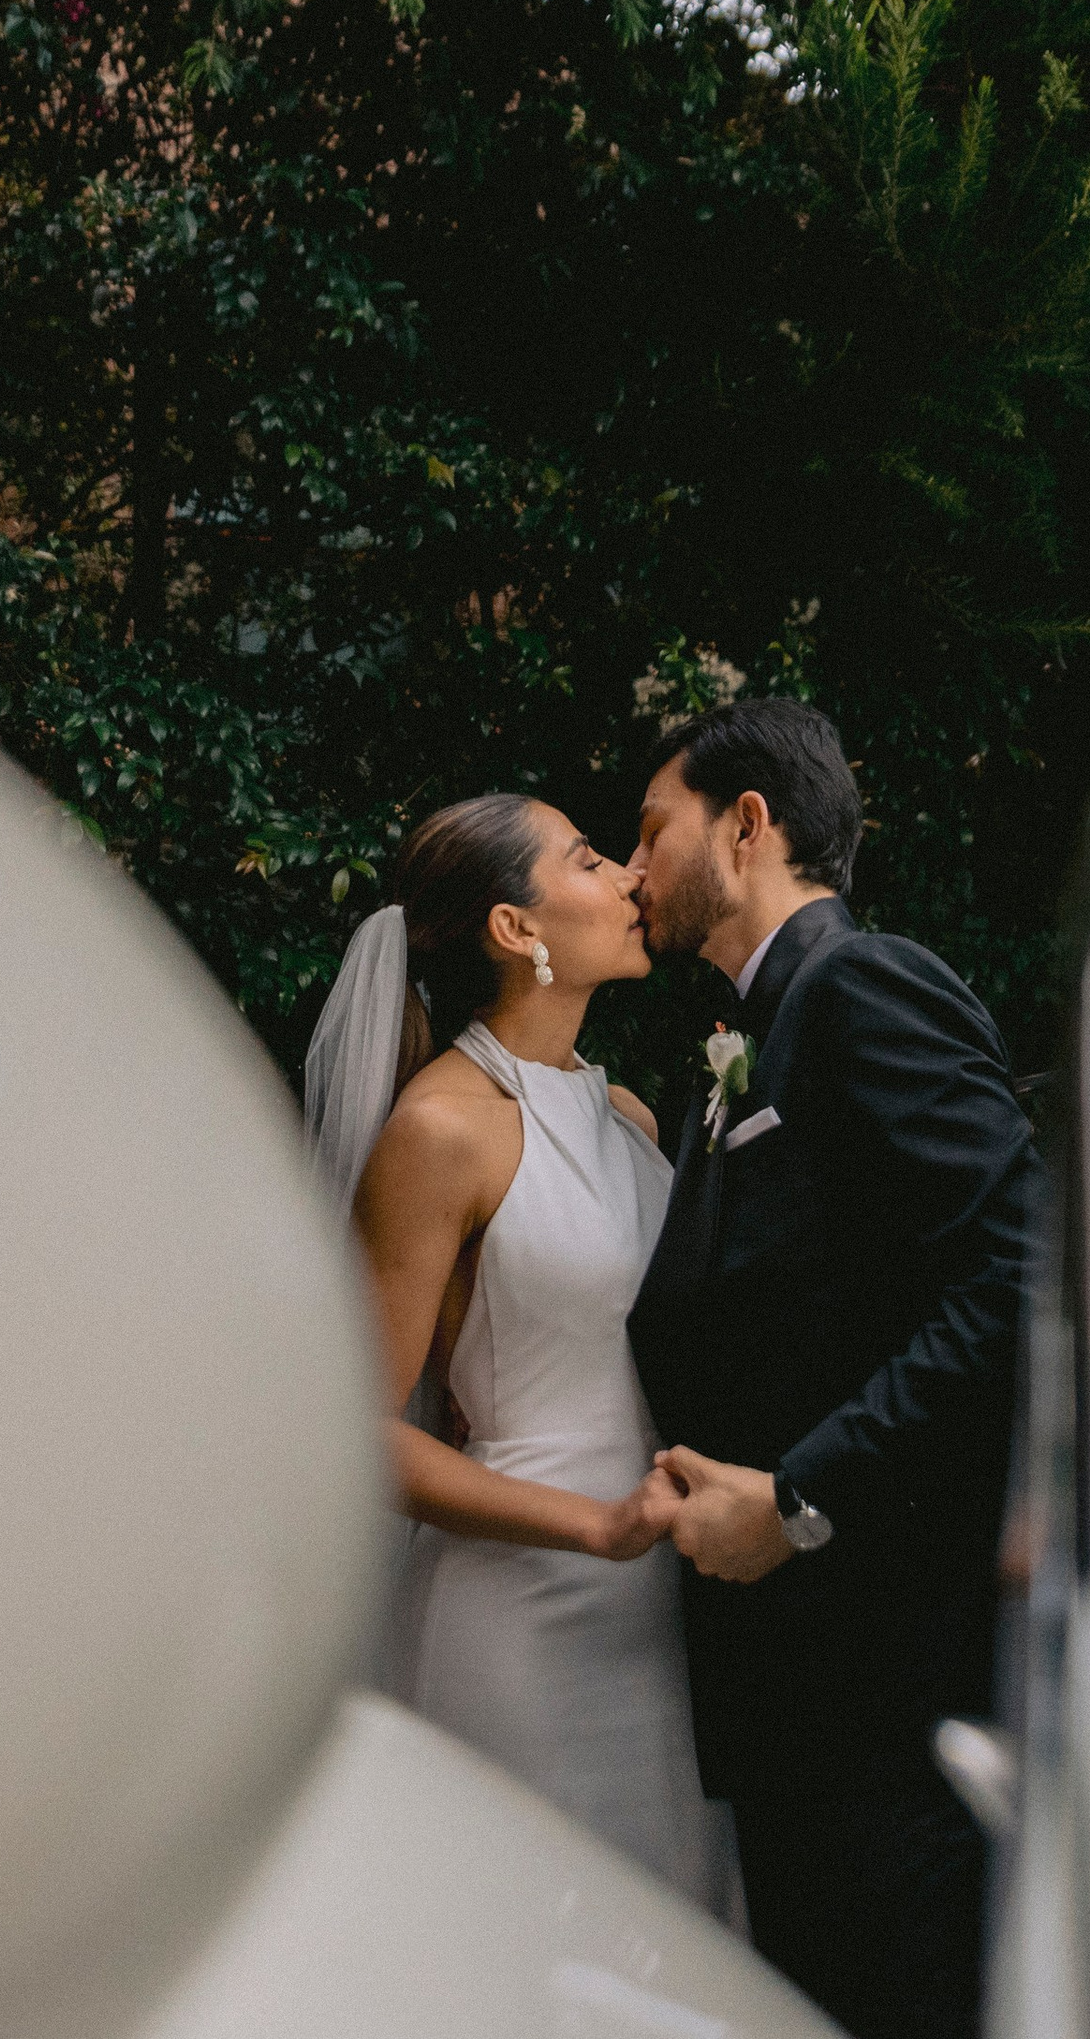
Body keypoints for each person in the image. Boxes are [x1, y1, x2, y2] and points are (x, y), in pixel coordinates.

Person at [623, 701, 1041, 2037]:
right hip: (793, 1703)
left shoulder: (861, 987)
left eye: (651, 831)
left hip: (886, 1686)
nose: (632, 869)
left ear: (746, 826)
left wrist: (797, 1498)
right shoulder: (738, 1050)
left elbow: (1024, 1274)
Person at [303, 794, 738, 1916]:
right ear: (516, 928)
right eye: (587, 860)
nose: (630, 876)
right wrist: (596, 1525)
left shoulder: (628, 1118)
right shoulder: (440, 1132)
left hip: (660, 1615)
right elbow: (359, 1437)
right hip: (521, 1610)